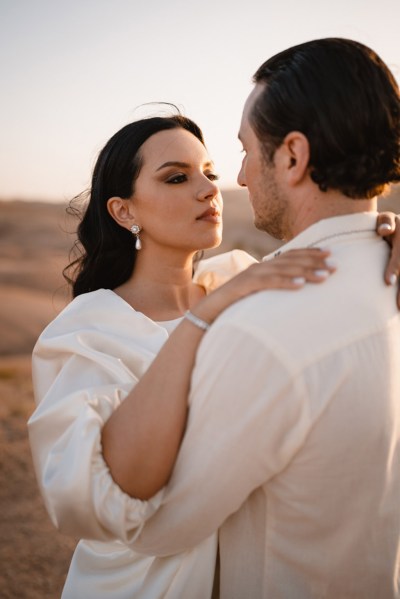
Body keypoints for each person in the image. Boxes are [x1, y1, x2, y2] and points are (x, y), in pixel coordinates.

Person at [113, 39, 400, 598]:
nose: (237, 180)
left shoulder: (260, 332)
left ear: (292, 157)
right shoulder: (386, 281)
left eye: (244, 151)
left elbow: (155, 524)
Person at [28, 113, 340, 598]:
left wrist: (385, 231)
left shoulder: (242, 279)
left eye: (209, 173)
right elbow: (95, 501)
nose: (207, 189)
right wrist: (200, 321)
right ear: (124, 211)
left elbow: (341, 273)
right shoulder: (86, 331)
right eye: (177, 177)